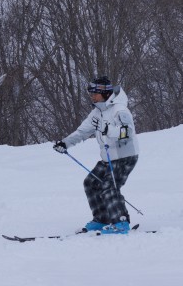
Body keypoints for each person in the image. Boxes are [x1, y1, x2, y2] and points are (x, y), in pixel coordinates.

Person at [53, 76, 139, 234]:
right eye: (90, 93)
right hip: (108, 158)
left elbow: (127, 133)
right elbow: (82, 132)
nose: (91, 96)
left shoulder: (119, 110)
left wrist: (109, 130)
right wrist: (65, 143)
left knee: (109, 186)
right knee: (91, 183)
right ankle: (102, 219)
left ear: (105, 93)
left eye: (94, 93)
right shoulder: (97, 112)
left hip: (125, 157)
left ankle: (121, 223)